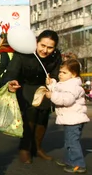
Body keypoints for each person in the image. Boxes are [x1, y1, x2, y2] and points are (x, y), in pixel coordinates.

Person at [4, 30, 62, 164]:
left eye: (50, 47)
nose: (45, 50)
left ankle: (38, 147)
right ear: (36, 42)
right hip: (26, 87)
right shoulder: (23, 53)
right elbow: (11, 71)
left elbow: (56, 73)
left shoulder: (56, 56)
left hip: (44, 89)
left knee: (43, 117)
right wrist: (10, 83)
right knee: (30, 115)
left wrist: (52, 82)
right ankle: (25, 148)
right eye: (42, 45)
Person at [44, 59, 89, 173]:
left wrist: (52, 96)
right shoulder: (66, 84)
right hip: (70, 119)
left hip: (74, 119)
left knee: (72, 142)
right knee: (69, 141)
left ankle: (78, 164)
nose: (60, 74)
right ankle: (69, 160)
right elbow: (57, 90)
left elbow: (67, 99)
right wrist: (51, 83)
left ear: (73, 74)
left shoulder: (73, 86)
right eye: (60, 72)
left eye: (64, 73)